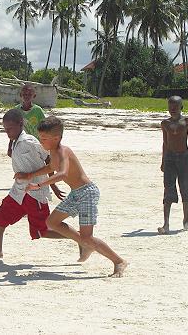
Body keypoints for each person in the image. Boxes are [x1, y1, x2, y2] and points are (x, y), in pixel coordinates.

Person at [21, 116, 128, 278]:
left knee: (88, 236)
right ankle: (84, 243)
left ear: (56, 138)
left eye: (43, 138)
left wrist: (38, 185)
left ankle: (118, 261)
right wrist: (30, 175)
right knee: (51, 222)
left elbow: (62, 173)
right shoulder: (52, 151)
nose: (41, 141)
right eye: (40, 137)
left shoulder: (64, 151)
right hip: (76, 193)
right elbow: (51, 167)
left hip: (87, 193)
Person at [0, 109, 89, 260]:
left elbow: (49, 161)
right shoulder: (14, 142)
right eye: (5, 129)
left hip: (35, 194)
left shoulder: (29, 142)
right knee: (0, 219)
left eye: (10, 129)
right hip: (18, 191)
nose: (7, 132)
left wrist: (53, 186)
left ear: (20, 124)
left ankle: (79, 238)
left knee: (41, 231)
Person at [158, 96, 188, 234]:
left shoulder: (187, 122)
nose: (173, 109)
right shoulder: (165, 123)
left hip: (184, 158)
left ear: (181, 107)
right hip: (170, 159)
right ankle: (166, 223)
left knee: (186, 189)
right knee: (168, 190)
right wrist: (163, 161)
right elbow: (165, 143)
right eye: (170, 107)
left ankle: (186, 220)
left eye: (176, 107)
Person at [7, 84, 46, 157]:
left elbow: (44, 128)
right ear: (20, 95)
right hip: (20, 143)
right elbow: (12, 130)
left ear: (34, 96)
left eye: (29, 94)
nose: (27, 96)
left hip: (35, 143)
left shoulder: (38, 110)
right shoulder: (16, 110)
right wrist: (10, 147)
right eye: (24, 94)